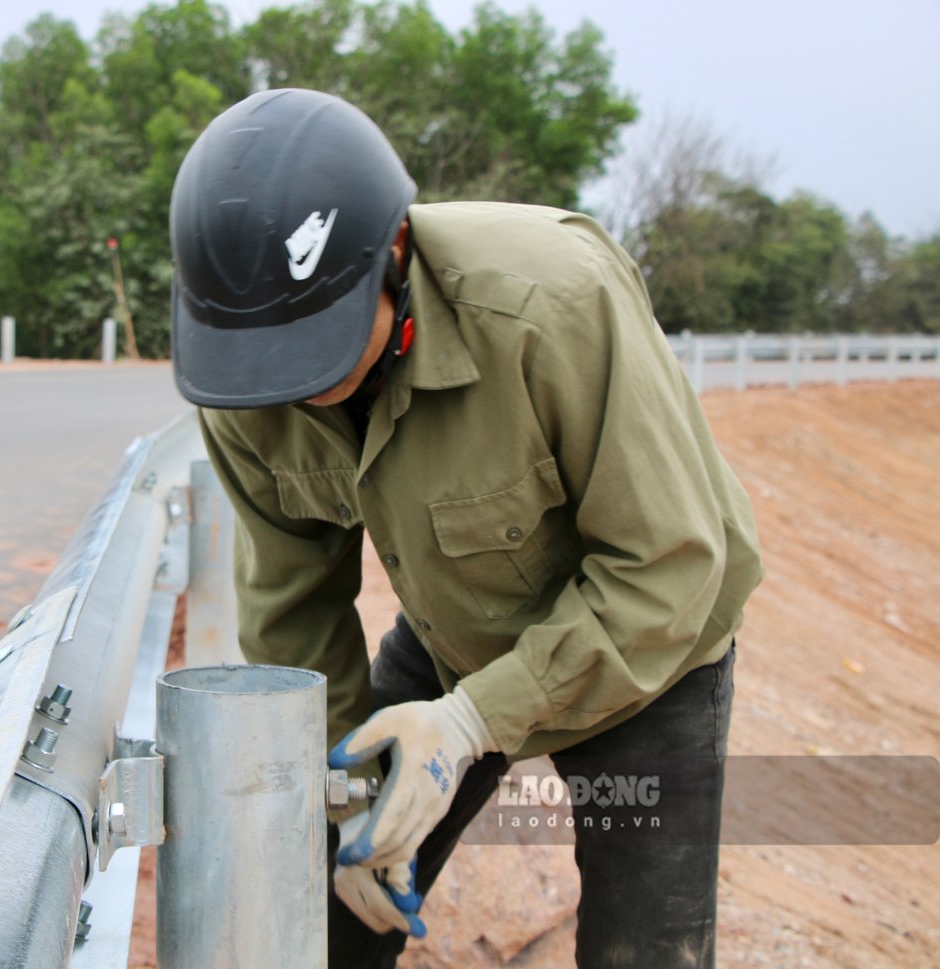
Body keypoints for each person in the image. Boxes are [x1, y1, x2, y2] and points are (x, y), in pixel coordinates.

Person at [168, 88, 763, 969]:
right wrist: (343, 801)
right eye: (268, 357)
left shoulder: (552, 305)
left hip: (650, 648)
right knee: (323, 913)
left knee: (644, 948)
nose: (291, 385)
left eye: (318, 345)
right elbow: (294, 615)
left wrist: (470, 724)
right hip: (460, 635)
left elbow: (669, 566)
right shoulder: (245, 377)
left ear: (395, 252)